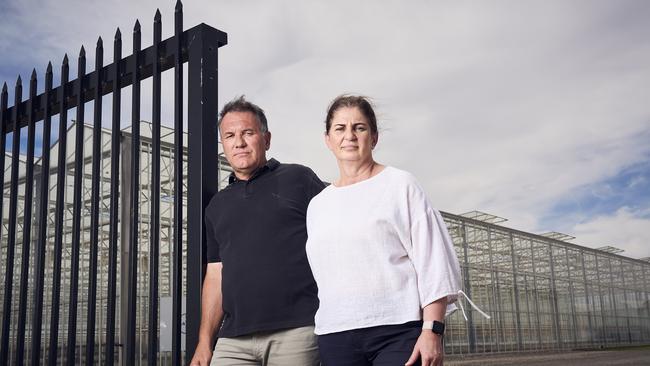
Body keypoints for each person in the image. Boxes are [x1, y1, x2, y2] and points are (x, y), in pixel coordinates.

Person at [305, 95, 462, 366]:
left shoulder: (400, 185)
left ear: (374, 137)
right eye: (340, 128)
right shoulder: (318, 204)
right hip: (336, 335)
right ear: (328, 140)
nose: (349, 136)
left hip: (398, 332)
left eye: (360, 127)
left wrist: (432, 330)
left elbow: (433, 262)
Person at [190, 96, 325, 366]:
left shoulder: (298, 179)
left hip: (296, 331)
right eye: (229, 136)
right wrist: (205, 342)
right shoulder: (217, 205)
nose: (238, 142)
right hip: (233, 340)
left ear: (267, 138)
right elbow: (216, 275)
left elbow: (336, 239)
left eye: (247, 133)